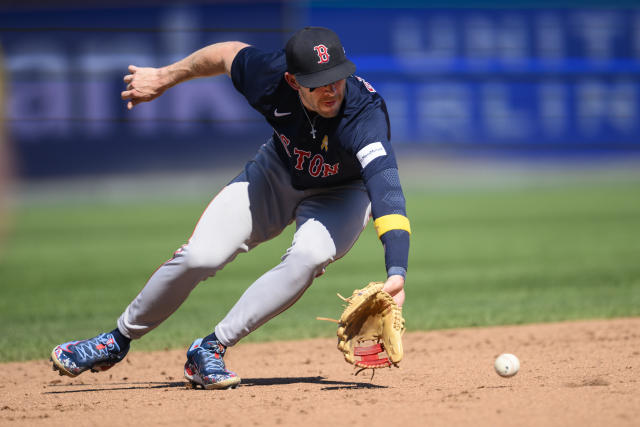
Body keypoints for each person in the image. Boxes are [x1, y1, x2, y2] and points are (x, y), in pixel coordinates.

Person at [50, 26, 411, 390]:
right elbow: (225, 54)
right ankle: (116, 339)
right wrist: (164, 76)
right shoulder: (269, 76)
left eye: (336, 77)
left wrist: (397, 271)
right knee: (200, 256)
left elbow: (386, 187)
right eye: (317, 82)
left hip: (341, 192)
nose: (331, 89)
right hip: (278, 172)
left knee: (308, 256)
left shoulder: (364, 114)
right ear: (292, 80)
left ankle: (211, 347)